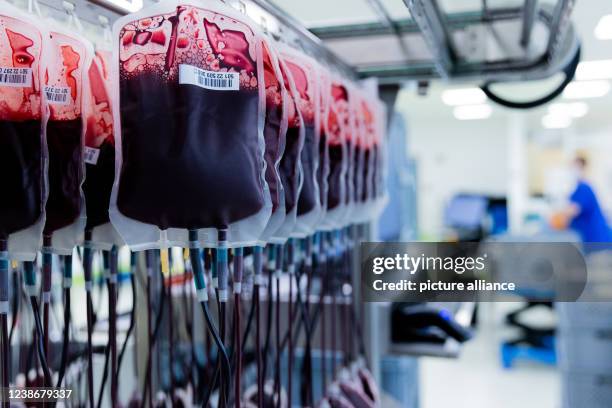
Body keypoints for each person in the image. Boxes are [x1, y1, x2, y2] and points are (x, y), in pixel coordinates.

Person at [551, 156, 612, 242]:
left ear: (583, 168)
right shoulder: (576, 190)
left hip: (597, 239)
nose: (572, 171)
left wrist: (554, 215)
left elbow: (572, 211)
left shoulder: (584, 188)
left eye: (575, 167)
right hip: (588, 239)